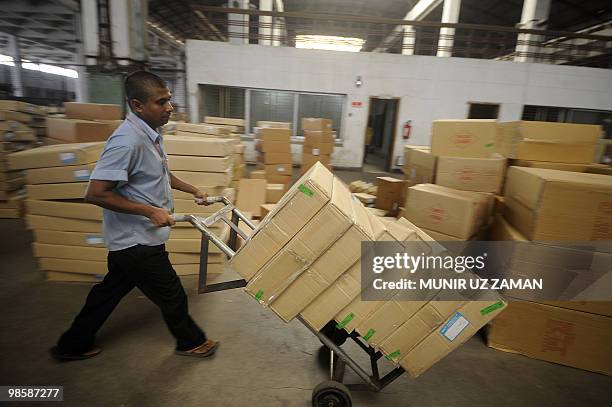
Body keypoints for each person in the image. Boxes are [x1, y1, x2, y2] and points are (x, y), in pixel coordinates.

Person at [50, 71, 218, 360]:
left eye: (169, 100)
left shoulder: (150, 134)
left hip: (132, 239)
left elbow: (159, 174)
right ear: (137, 105)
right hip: (136, 240)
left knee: (109, 292)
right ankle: (190, 341)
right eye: (161, 102)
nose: (169, 107)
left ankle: (71, 345)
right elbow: (96, 193)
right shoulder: (126, 142)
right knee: (172, 294)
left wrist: (192, 189)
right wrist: (149, 210)